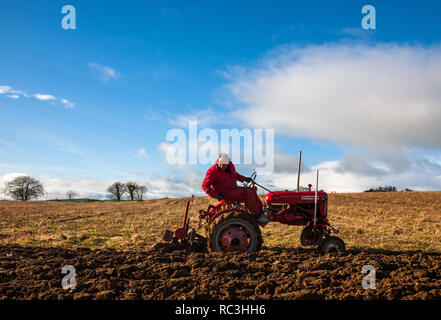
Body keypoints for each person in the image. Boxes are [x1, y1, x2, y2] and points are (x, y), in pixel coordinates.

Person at [201, 153, 268, 225]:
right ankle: (256, 216)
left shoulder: (230, 166)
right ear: (218, 161)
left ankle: (261, 213)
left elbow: (235, 175)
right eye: (220, 164)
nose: (222, 166)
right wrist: (216, 195)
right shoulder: (212, 171)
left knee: (252, 190)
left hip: (233, 189)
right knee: (248, 193)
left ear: (228, 162)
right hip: (225, 194)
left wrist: (245, 179)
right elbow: (204, 186)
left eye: (224, 164)